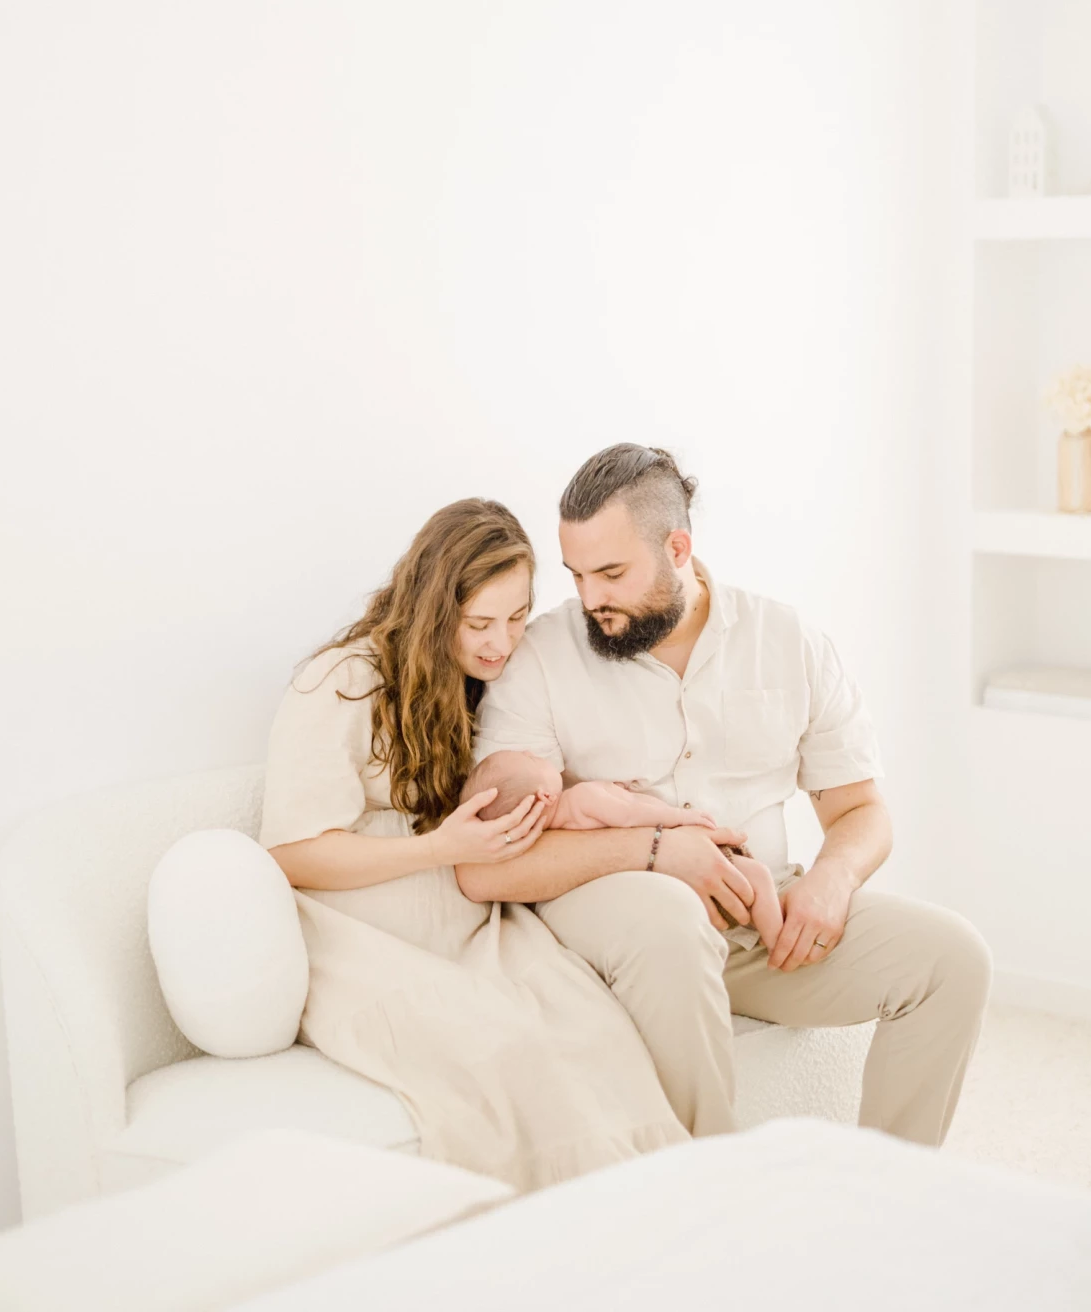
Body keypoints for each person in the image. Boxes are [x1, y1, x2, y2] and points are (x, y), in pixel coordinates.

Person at [458, 444, 994, 1148]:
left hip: (757, 916)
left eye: (611, 574)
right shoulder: (542, 655)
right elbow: (494, 855)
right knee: (671, 918)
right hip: (619, 922)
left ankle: (887, 1187)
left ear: (678, 548)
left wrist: (832, 880)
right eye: (577, 575)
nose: (589, 599)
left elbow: (860, 810)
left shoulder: (787, 640)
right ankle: (711, 1180)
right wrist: (658, 850)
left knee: (953, 960)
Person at [259, 497, 687, 1191]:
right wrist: (440, 849)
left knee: (594, 1028)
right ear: (432, 610)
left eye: (517, 618)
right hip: (358, 938)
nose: (502, 642)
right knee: (503, 1051)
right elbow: (291, 853)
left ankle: (648, 1209)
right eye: (479, 623)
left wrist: (579, 800)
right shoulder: (342, 682)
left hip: (472, 930)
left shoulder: (479, 684)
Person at [459, 748, 784, 949]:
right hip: (685, 851)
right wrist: (681, 817)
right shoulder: (582, 798)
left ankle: (772, 935)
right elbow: (631, 815)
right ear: (544, 796)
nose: (534, 752)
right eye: (531, 758)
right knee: (756, 876)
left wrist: (615, 790)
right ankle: (779, 942)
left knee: (746, 896)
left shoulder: (561, 825)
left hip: (665, 876)